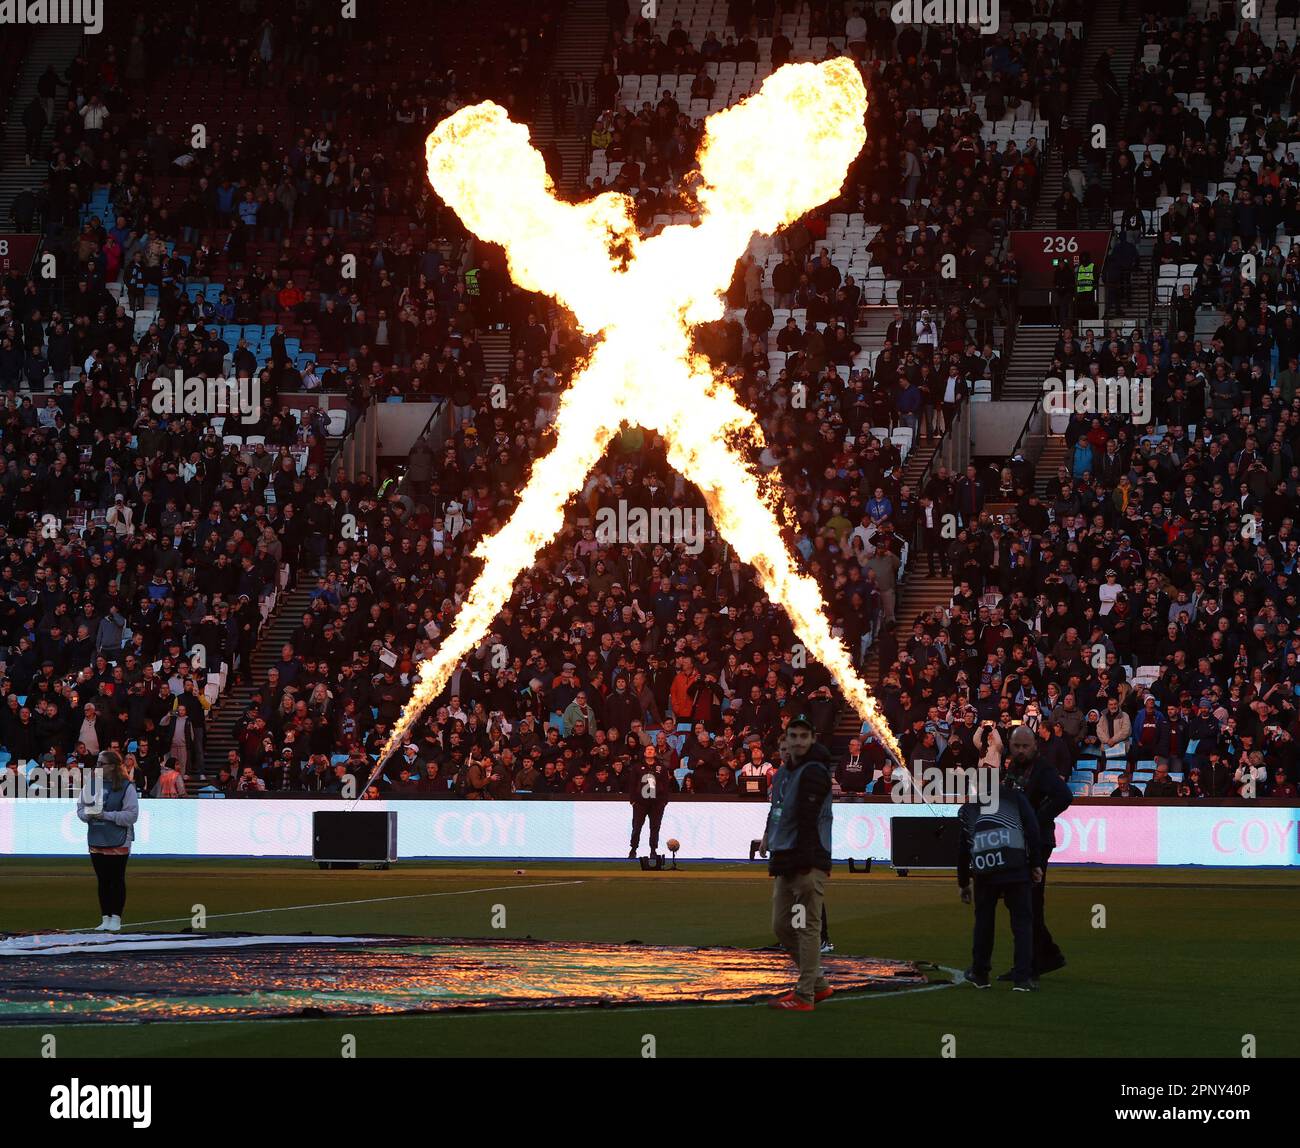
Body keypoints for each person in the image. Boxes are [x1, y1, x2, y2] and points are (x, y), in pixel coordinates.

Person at [762, 713, 834, 1010]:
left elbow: (808, 820)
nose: (798, 741)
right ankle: (817, 983)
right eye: (794, 736)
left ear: (812, 739)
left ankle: (805, 994)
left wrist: (806, 860)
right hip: (787, 857)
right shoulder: (783, 774)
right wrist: (770, 838)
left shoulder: (815, 772)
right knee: (782, 926)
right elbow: (778, 809)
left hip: (807, 860)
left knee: (806, 926)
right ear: (785, 740)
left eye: (804, 736)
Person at [957, 765, 1044, 990]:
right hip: (1016, 867)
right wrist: (1035, 863)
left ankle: (980, 973)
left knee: (984, 923)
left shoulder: (968, 808)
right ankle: (1022, 978)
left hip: (985, 871)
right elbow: (1033, 829)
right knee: (1022, 924)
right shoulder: (1015, 798)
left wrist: (963, 882)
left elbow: (962, 849)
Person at [1002, 725, 1072, 979]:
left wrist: (1035, 818)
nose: (1020, 750)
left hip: (1037, 843)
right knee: (1019, 902)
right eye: (1016, 746)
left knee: (1027, 903)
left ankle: (1032, 964)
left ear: (1035, 746)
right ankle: (1045, 957)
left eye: (1025, 746)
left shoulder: (1043, 770)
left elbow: (1064, 796)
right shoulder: (1014, 768)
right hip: (1019, 842)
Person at [76, 749, 140, 932]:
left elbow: (131, 815)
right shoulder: (91, 785)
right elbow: (80, 809)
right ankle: (105, 917)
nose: (97, 767)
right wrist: (89, 814)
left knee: (116, 878)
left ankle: (116, 917)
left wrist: (105, 815)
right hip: (97, 837)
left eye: (100, 764)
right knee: (103, 879)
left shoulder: (127, 787)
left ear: (112, 766)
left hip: (119, 839)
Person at [627, 743, 675, 857]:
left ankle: (653, 850)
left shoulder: (661, 768)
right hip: (640, 803)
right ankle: (633, 849)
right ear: (644, 753)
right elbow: (632, 784)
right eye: (647, 749)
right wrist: (633, 801)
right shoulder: (637, 767)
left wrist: (664, 801)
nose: (649, 751)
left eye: (652, 749)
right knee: (637, 826)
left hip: (657, 803)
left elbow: (666, 784)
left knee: (655, 827)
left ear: (655, 753)